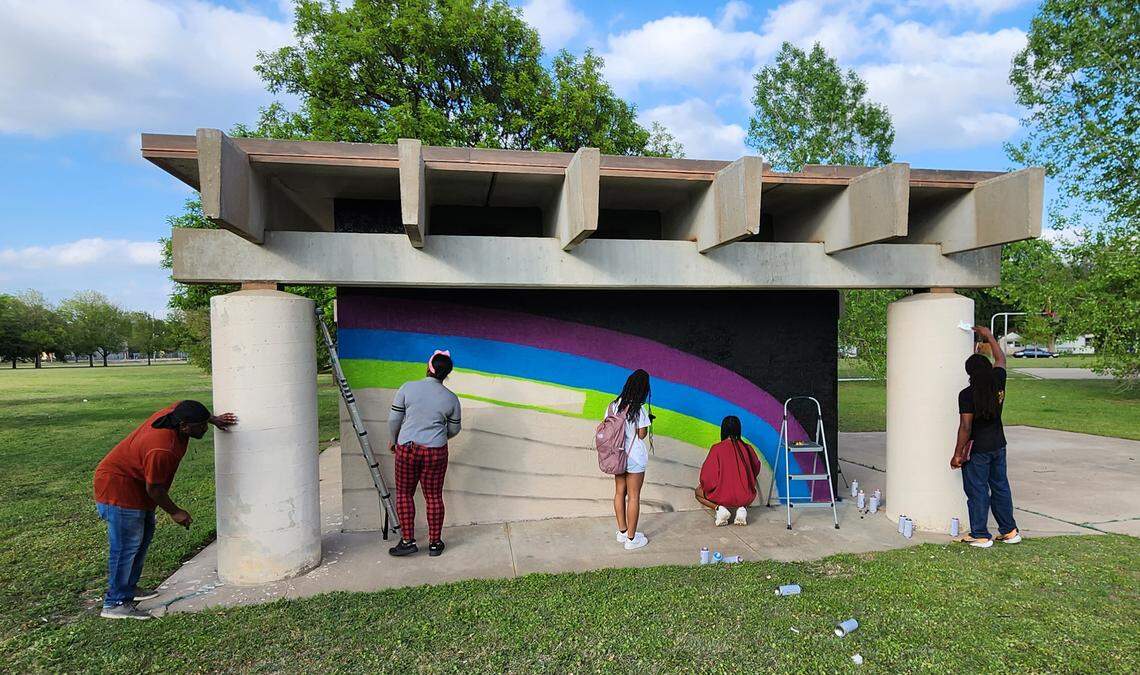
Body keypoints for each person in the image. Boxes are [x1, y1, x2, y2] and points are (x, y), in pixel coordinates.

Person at [93, 400, 237, 619]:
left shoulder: (174, 414)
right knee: (126, 547)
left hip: (136, 486)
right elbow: (155, 489)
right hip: (119, 490)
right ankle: (115, 603)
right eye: (201, 426)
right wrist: (175, 512)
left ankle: (128, 589)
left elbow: (185, 406)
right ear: (184, 426)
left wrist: (212, 419)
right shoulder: (161, 448)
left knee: (142, 539)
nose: (205, 429)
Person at [950, 326, 1022, 548]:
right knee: (1000, 486)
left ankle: (980, 534)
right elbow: (1001, 359)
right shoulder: (998, 380)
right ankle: (1009, 531)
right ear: (987, 367)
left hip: (978, 450)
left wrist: (957, 455)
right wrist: (989, 336)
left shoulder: (967, 394)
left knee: (977, 490)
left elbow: (966, 426)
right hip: (999, 445)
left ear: (969, 373)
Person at [387, 350, 462, 558]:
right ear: (446, 374)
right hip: (436, 452)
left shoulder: (407, 388)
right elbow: (455, 429)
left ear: (428, 368)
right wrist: (438, 437)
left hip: (407, 448)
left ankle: (407, 541)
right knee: (434, 496)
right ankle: (435, 544)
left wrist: (394, 441)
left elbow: (394, 420)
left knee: (404, 493)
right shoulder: (451, 398)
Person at [608, 369, 653, 550]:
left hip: (617, 455)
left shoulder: (613, 405)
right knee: (633, 497)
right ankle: (632, 540)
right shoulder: (638, 409)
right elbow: (641, 434)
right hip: (634, 458)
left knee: (620, 492)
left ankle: (622, 532)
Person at [695, 416, 762, 526]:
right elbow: (756, 468)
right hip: (745, 496)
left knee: (697, 493)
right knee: (748, 488)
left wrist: (706, 486)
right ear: (739, 429)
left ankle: (720, 510)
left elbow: (708, 477)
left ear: (723, 430)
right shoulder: (747, 448)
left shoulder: (717, 448)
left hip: (722, 496)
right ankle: (742, 509)